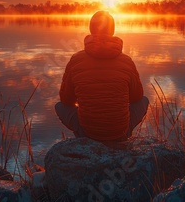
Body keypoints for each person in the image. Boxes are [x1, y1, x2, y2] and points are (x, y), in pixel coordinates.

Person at [55, 10, 149, 142]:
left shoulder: (76, 59)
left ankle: (85, 138)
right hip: (120, 133)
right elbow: (137, 97)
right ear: (112, 31)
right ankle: (121, 138)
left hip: (87, 133)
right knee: (144, 101)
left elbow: (66, 100)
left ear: (91, 30)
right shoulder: (126, 61)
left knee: (59, 106)